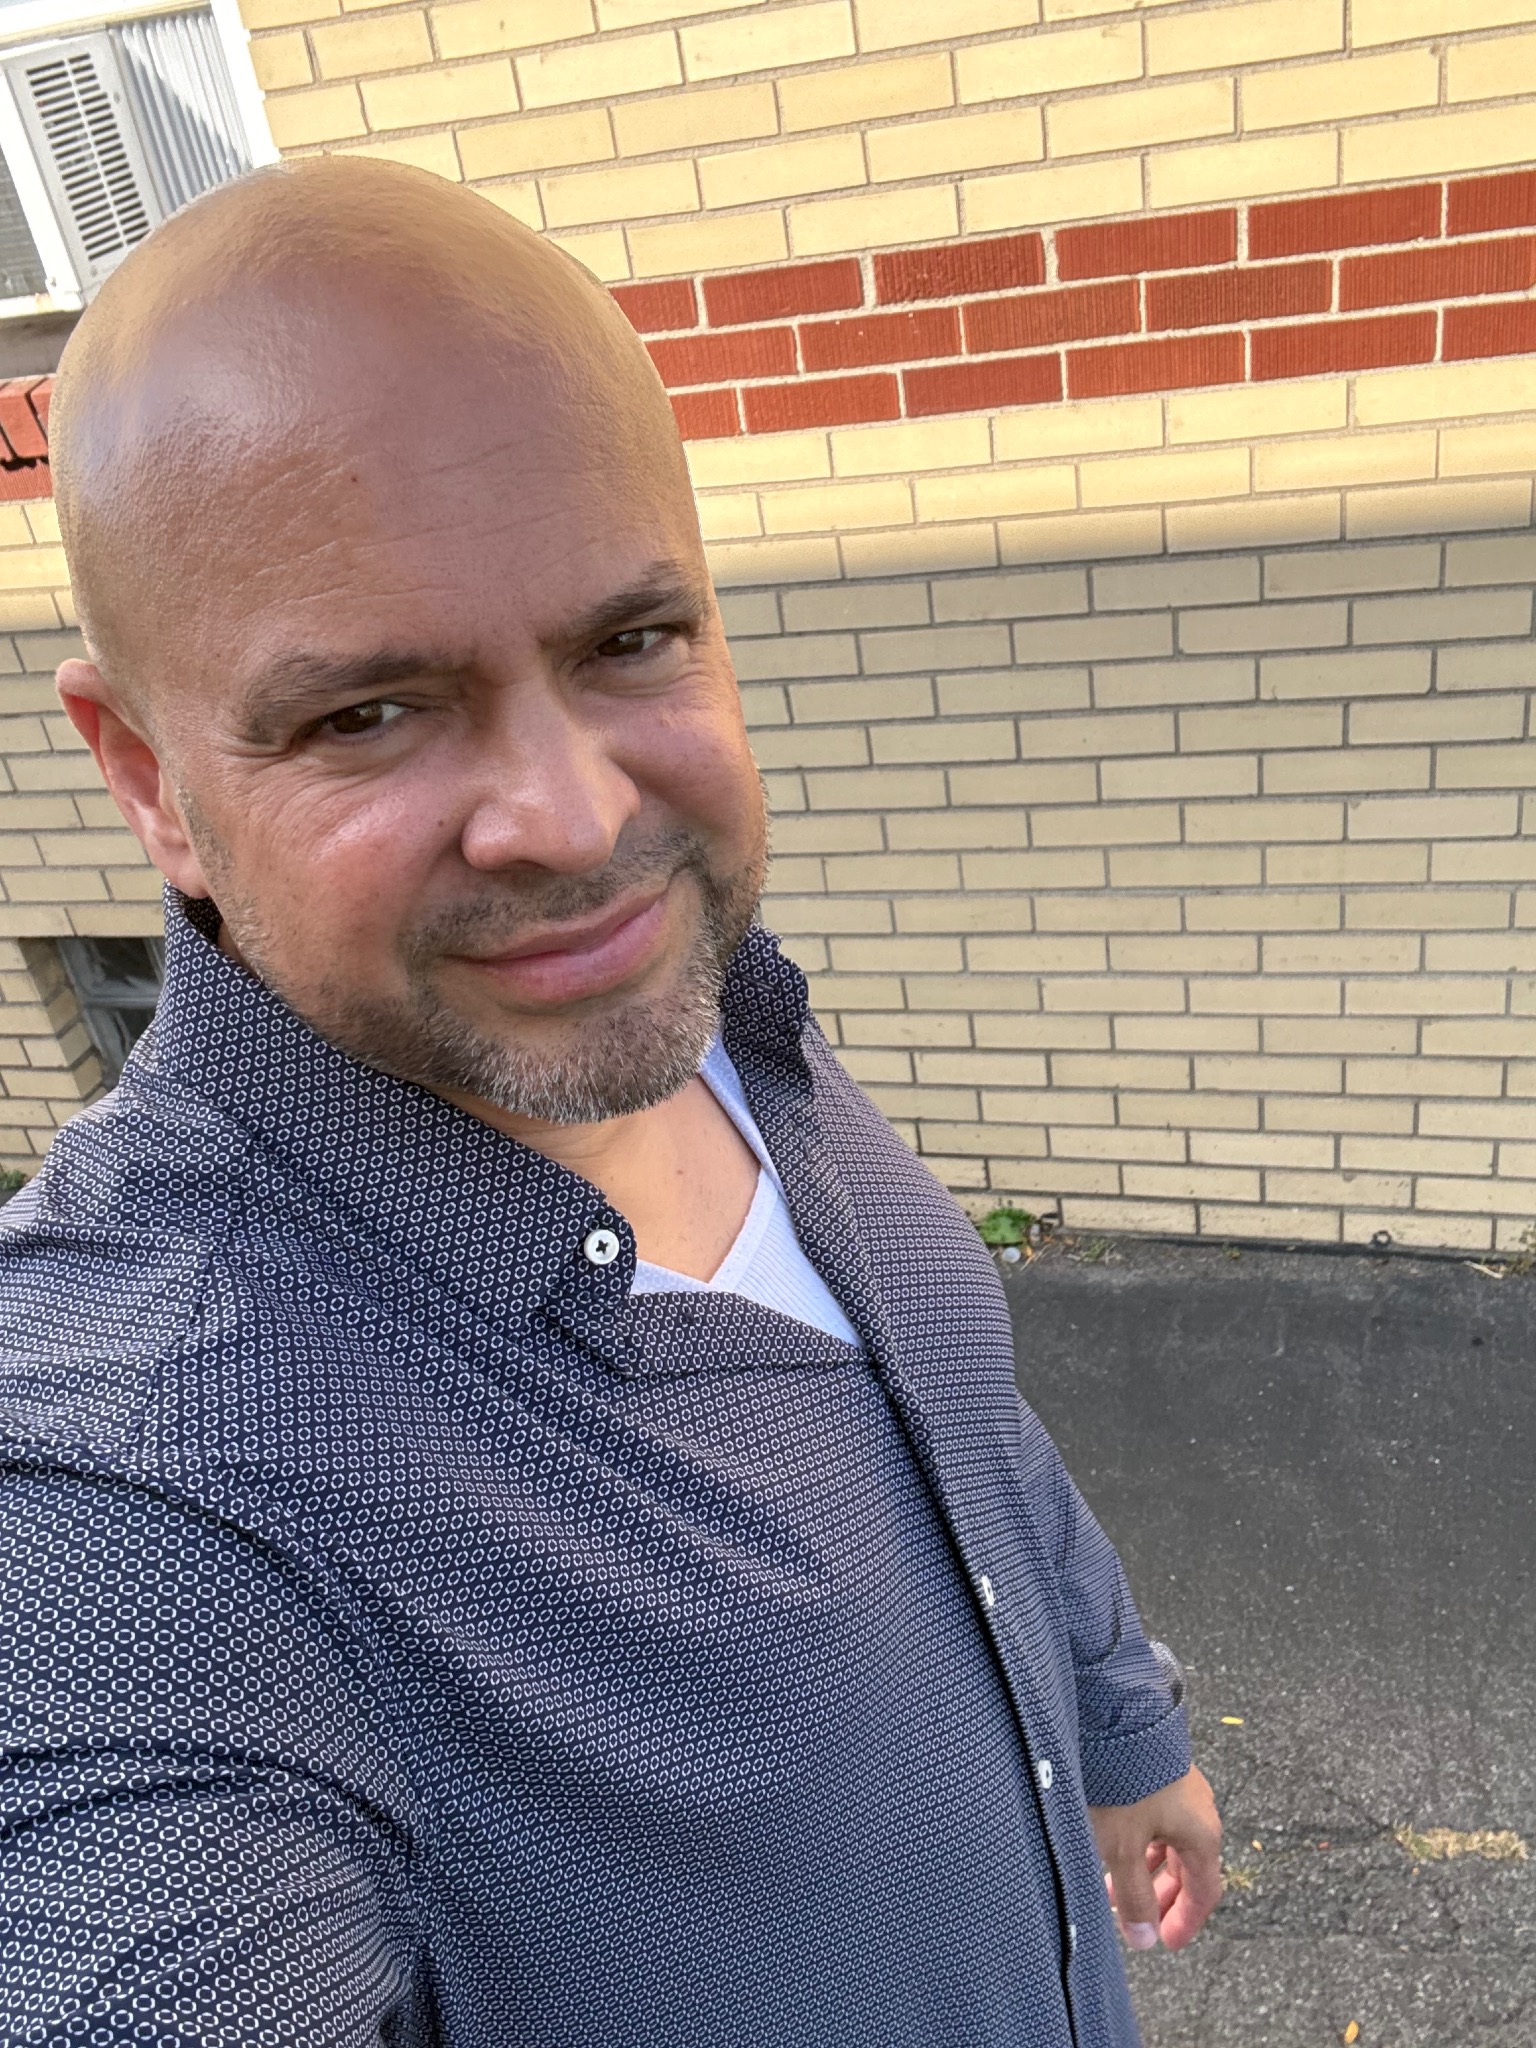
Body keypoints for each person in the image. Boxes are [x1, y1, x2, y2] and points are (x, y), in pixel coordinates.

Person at [0, 157, 1221, 2046]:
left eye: (628, 643)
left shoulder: (711, 1010)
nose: (574, 823)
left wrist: (1120, 1721)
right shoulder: (139, 1500)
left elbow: (961, 1410)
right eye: (367, 714)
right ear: (152, 780)